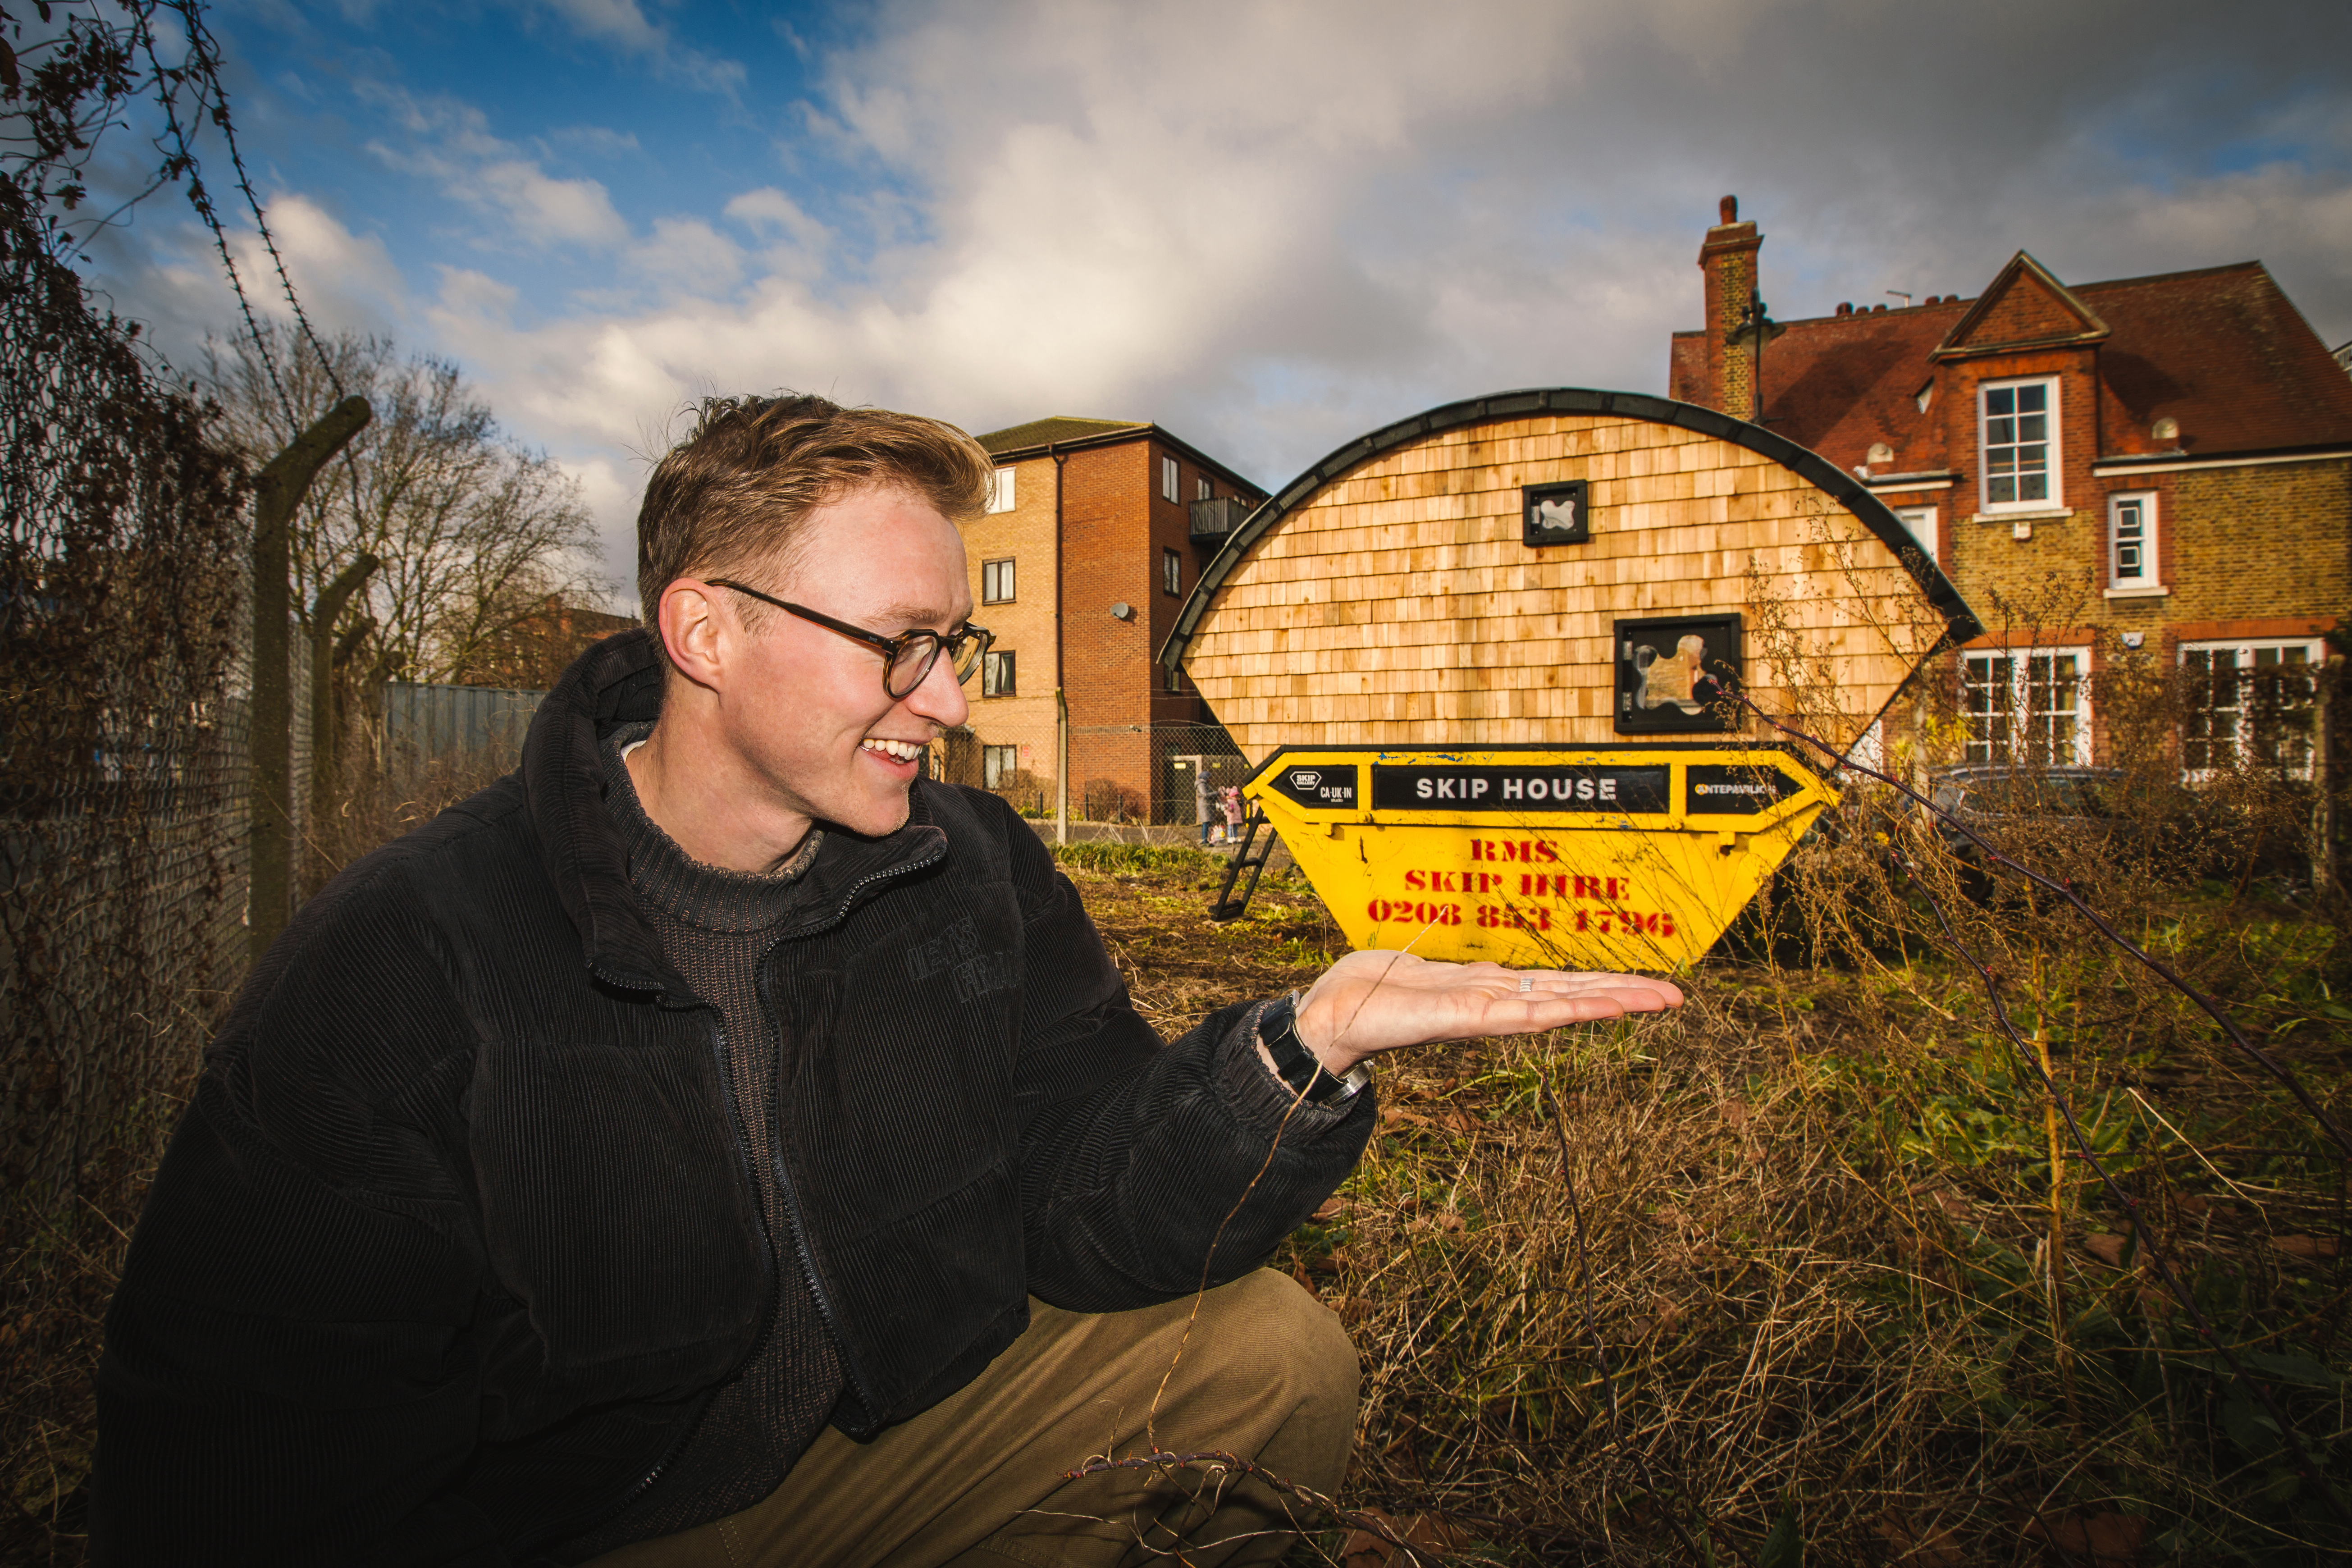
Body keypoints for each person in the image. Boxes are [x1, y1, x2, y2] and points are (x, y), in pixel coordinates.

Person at [92, 395, 1681, 1567]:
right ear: (705, 632)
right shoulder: (412, 951)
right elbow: (237, 1442)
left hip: (880, 1430)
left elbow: (1084, 1199)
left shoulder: (967, 862)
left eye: (958, 649)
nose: (950, 705)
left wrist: (1296, 1051)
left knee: (1268, 1356)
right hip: (587, 1524)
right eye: (901, 646)